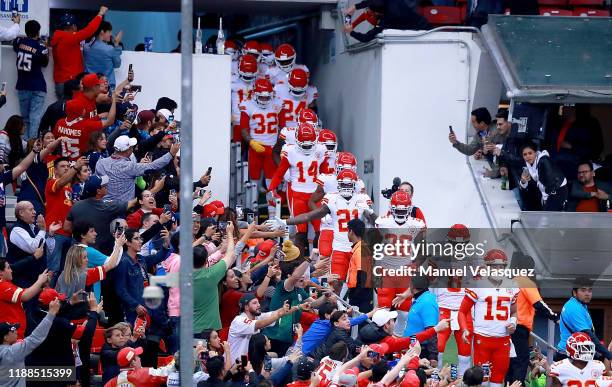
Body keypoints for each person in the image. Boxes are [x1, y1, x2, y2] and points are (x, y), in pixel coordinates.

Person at [266, 169, 374, 292]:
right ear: (338, 184)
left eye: (349, 184)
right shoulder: (332, 198)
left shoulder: (362, 199)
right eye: (343, 184)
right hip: (339, 248)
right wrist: (285, 221)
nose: (346, 187)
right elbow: (309, 216)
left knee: (361, 285)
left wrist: (370, 212)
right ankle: (338, 309)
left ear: (355, 185)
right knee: (335, 283)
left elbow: (374, 221)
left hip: (359, 248)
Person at [458, 249, 519, 387]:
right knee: (481, 380)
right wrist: (464, 329)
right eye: (495, 266)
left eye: (501, 266)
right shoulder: (478, 285)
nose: (498, 269)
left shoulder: (512, 286)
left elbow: (514, 312)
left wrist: (513, 323)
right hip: (482, 339)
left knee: (498, 379)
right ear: (487, 267)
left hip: (502, 341)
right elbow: (462, 311)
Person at [268, 123, 327, 253]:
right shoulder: (291, 150)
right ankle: (300, 263)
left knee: (320, 230)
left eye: (309, 144)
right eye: (304, 145)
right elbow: (280, 172)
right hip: (298, 195)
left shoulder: (321, 150)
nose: (306, 148)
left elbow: (325, 174)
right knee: (301, 232)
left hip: (315, 195)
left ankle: (318, 261)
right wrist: (272, 189)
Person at [65, 175, 137, 255]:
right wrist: (152, 190)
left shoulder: (76, 205)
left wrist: (83, 235)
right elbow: (131, 204)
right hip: (101, 255)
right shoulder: (107, 206)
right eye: (104, 186)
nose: (106, 186)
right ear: (98, 191)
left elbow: (66, 227)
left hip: (78, 253)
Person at [95, 135, 179, 202]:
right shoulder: (130, 166)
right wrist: (171, 154)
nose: (133, 148)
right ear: (128, 151)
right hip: (123, 210)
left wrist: (139, 166)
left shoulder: (101, 162)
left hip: (103, 208)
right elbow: (153, 166)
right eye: (131, 147)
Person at [44, 156, 89, 279]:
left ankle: (61, 296)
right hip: (55, 232)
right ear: (55, 170)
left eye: (67, 166)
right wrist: (75, 168)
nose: (66, 168)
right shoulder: (51, 183)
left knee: (65, 270)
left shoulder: (69, 188)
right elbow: (62, 181)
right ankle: (48, 296)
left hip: (68, 233)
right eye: (62, 166)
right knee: (53, 269)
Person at [0, 298, 60, 387]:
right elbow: (35, 338)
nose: (16, 331)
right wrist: (51, 314)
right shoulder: (12, 352)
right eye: (12, 330)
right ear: (5, 338)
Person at [51, 7, 106, 99]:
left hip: (59, 82)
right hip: (71, 82)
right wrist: (100, 14)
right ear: (73, 26)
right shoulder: (69, 38)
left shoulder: (57, 37)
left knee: (63, 109)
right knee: (74, 111)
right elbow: (89, 30)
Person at [555, 278, 612, 362]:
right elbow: (588, 334)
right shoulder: (574, 307)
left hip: (577, 351)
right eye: (583, 290)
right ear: (575, 293)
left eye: (590, 290)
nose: (587, 294)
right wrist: (608, 355)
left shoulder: (579, 305)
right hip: (569, 354)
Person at [227, 293, 294, 363]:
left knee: (279, 355)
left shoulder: (256, 316)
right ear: (246, 307)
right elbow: (260, 324)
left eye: (258, 302)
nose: (258, 305)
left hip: (249, 360)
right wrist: (279, 315)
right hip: (235, 362)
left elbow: (275, 313)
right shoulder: (239, 320)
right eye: (254, 303)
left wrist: (297, 307)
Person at [55, 234, 124, 297]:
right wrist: (118, 245)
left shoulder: (62, 275)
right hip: (83, 309)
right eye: (84, 257)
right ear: (77, 260)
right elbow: (111, 264)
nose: (87, 260)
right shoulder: (87, 274)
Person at [13, 20, 49, 140]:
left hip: (22, 85)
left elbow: (15, 45)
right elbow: (45, 63)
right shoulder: (40, 47)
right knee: (35, 118)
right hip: (37, 86)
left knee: (25, 119)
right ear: (38, 32)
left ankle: (24, 145)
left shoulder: (19, 42)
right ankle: (31, 148)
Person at [53, 96, 118, 161]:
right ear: (80, 111)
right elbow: (110, 121)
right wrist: (114, 101)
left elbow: (55, 141)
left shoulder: (59, 123)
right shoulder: (86, 126)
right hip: (79, 164)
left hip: (61, 162)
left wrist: (98, 116)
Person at [0, 259, 48, 339]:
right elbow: (25, 296)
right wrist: (40, 281)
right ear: (0, 272)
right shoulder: (2, 286)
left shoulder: (6, 284)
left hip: (15, 334)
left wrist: (42, 284)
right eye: (8, 268)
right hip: (11, 336)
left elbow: (25, 291)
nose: (11, 271)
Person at [343, 0, 431, 43]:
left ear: (377, 13)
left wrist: (351, 32)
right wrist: (356, 6)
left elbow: (366, 38)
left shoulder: (386, 22)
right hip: (422, 21)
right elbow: (374, 1)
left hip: (421, 31)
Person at [518, 142, 568, 211]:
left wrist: (545, 201)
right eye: (525, 154)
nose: (528, 156)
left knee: (549, 215)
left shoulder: (544, 161)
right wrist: (523, 181)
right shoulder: (527, 166)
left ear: (535, 153)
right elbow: (528, 186)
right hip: (547, 192)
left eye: (530, 153)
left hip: (557, 190)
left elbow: (551, 183)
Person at [104, 346, 174, 387]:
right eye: (137, 357)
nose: (140, 359)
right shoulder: (143, 374)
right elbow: (167, 372)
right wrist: (175, 360)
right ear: (133, 363)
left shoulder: (111, 383)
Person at [84, 21, 123, 89]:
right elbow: (117, 64)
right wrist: (116, 44)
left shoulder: (86, 47)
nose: (111, 34)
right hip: (107, 87)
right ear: (102, 32)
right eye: (109, 32)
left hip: (90, 86)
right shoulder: (109, 49)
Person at [346, 218, 373, 313]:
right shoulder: (361, 248)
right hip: (361, 295)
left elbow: (363, 276)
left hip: (361, 298)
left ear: (351, 231)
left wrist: (354, 296)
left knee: (359, 325)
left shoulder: (360, 250)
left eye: (347, 230)